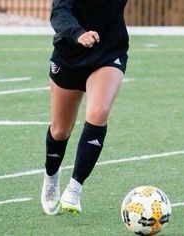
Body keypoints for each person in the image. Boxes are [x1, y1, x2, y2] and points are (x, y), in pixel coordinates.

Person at [41, 0, 129, 215]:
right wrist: (77, 33)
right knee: (60, 131)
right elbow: (60, 11)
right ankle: (51, 176)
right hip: (70, 53)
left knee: (99, 112)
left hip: (109, 51)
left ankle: (75, 188)